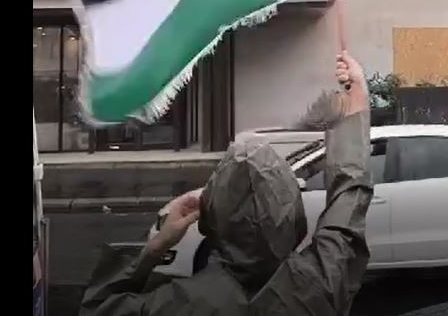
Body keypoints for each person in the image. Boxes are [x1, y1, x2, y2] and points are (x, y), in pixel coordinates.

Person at [80, 50, 373, 315]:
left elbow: (99, 309)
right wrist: (356, 94)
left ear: (211, 218)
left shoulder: (179, 305)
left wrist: (155, 248)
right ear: (293, 216)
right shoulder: (320, 283)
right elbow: (349, 196)